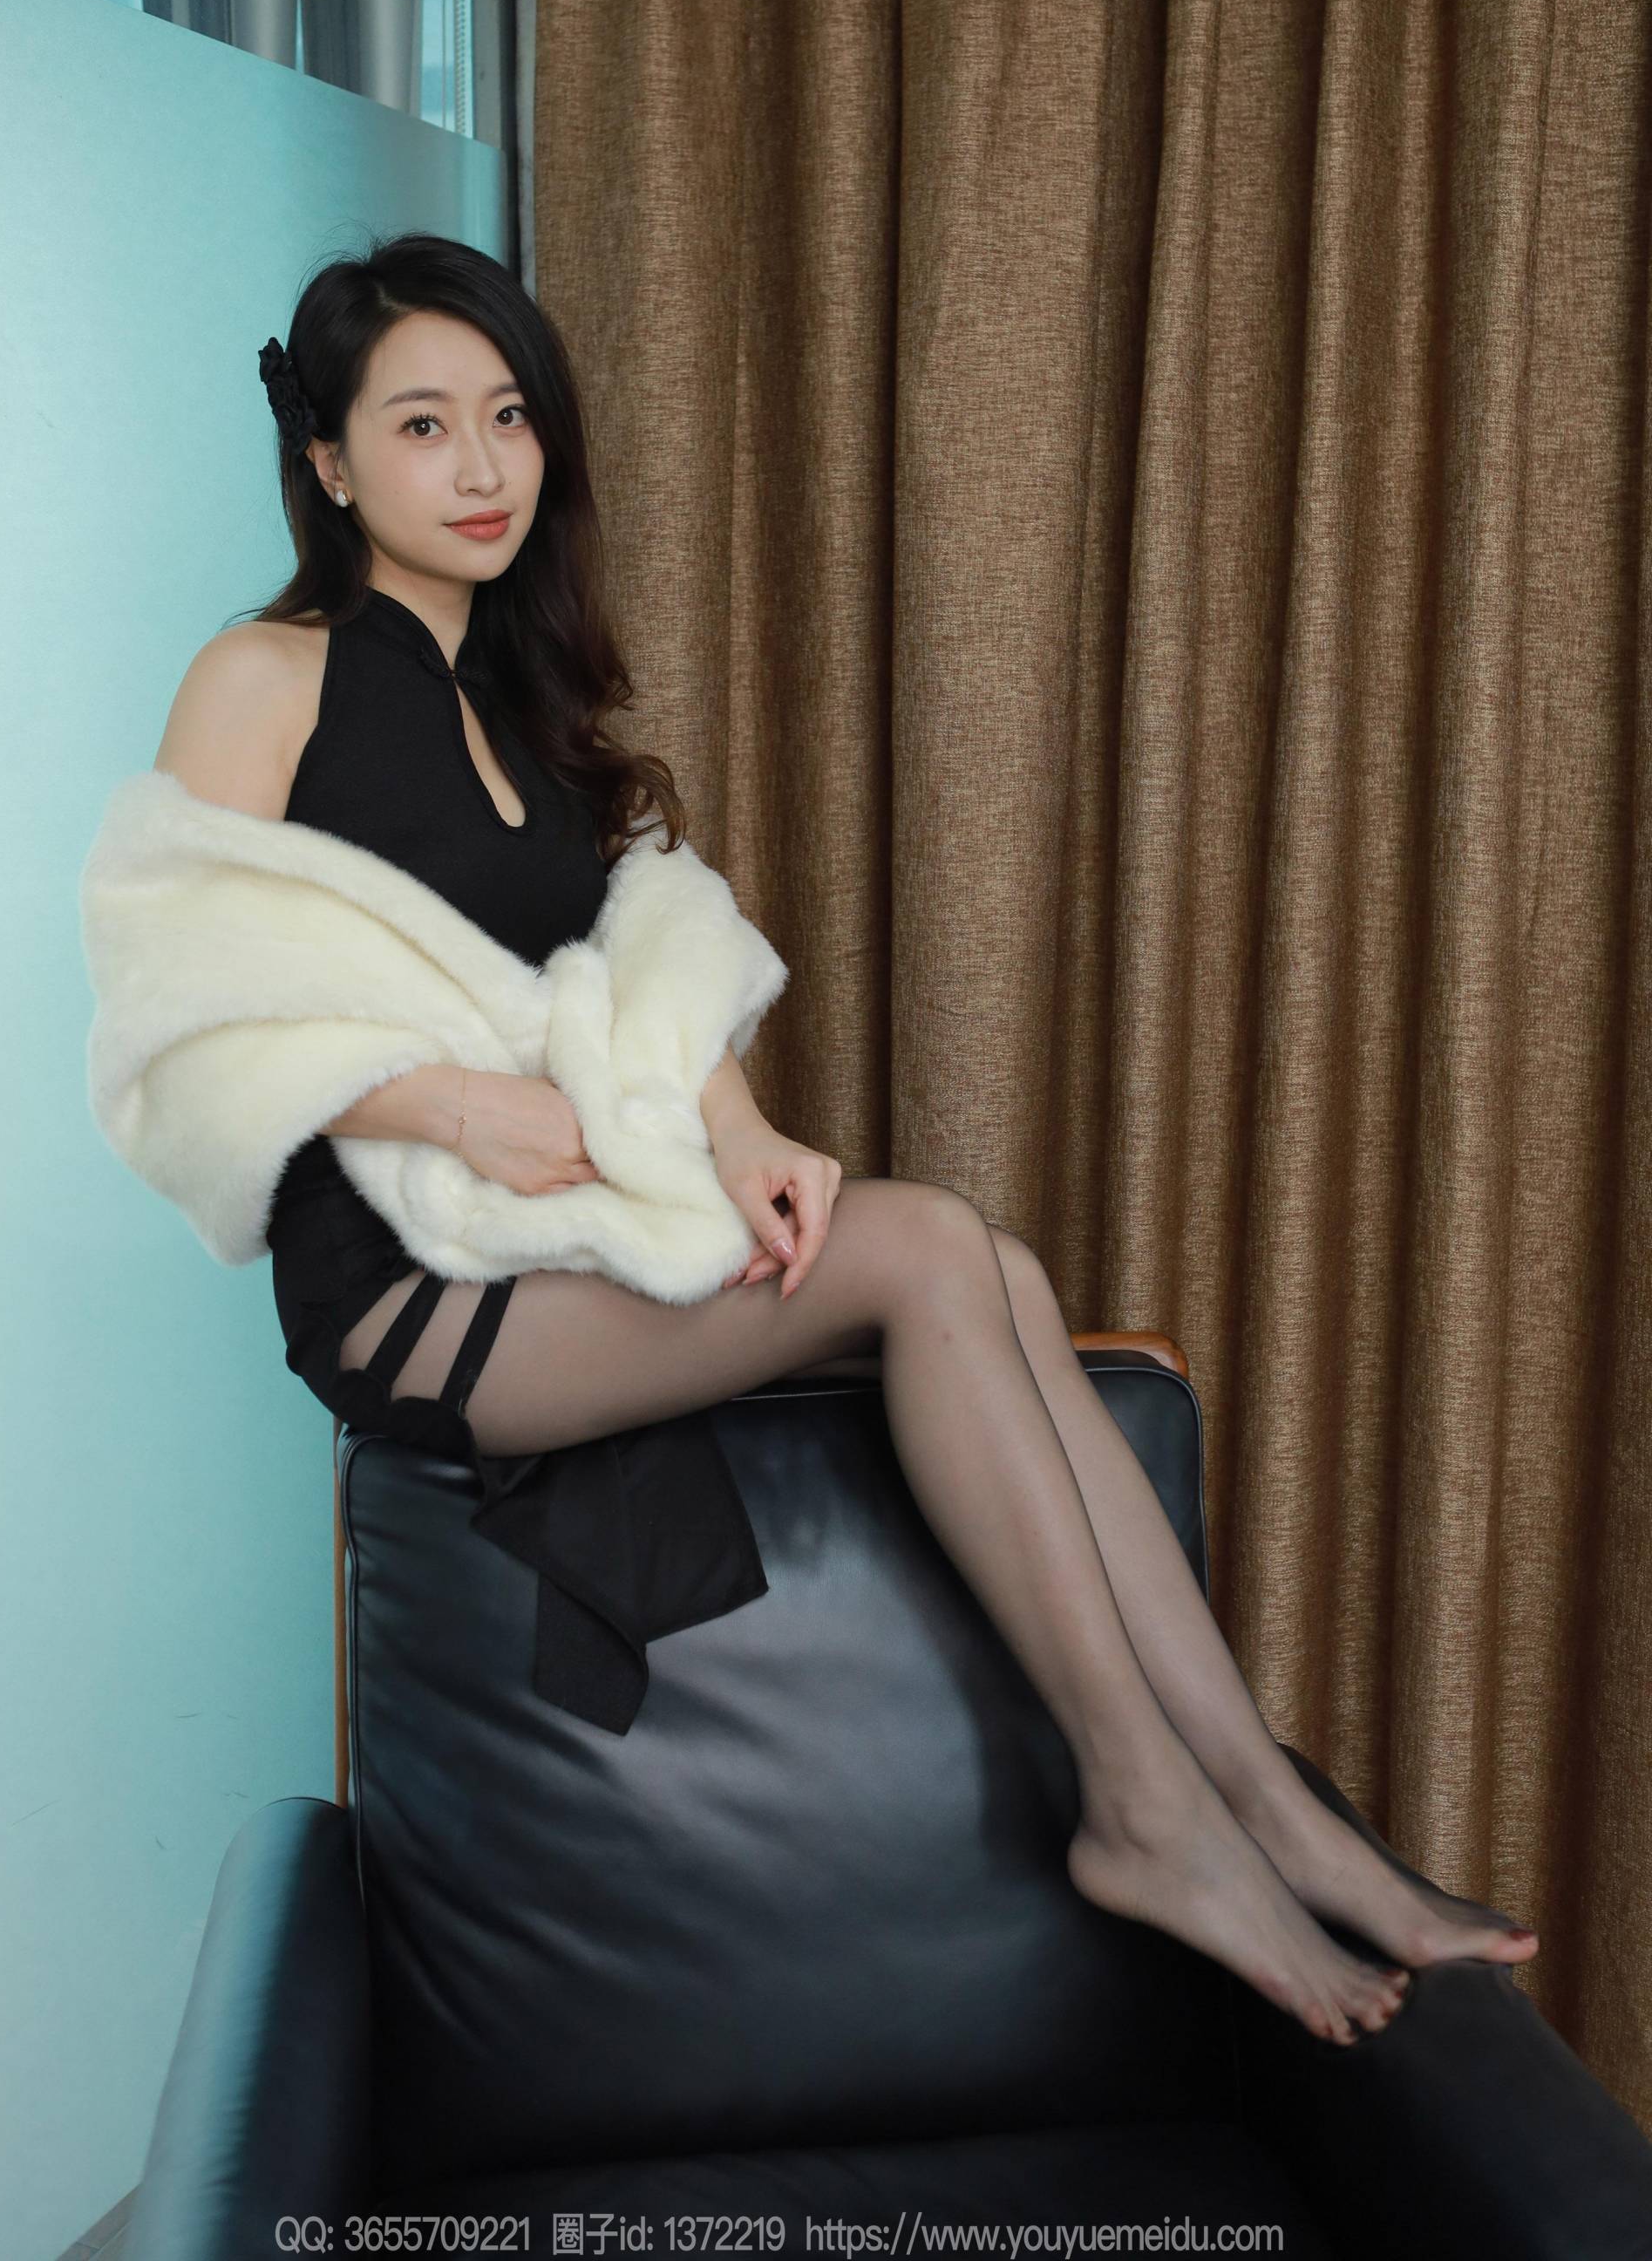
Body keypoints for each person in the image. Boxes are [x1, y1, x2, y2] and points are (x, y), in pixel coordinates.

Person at [153, 230, 1535, 2049]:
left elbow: (645, 961)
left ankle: (1263, 1807)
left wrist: (745, 1133)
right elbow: (178, 1003)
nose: (481, 466)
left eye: (509, 416)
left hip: (552, 1233)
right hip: (406, 1288)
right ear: (330, 463)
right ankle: (1148, 1812)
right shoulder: (268, 675)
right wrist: (444, 1104)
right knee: (927, 1244)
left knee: (996, 1273)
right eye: (422, 426)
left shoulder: (516, 696)